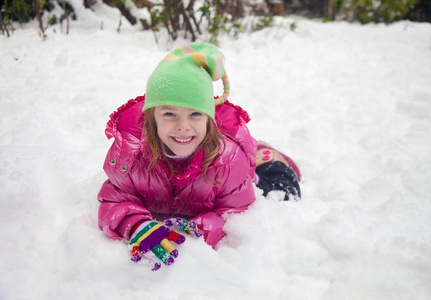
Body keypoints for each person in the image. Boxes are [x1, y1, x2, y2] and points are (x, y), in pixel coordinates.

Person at [97, 43, 301, 271]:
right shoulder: (130, 151)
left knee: (281, 192)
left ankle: (266, 155)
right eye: (169, 114)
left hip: (242, 170)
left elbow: (235, 212)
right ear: (152, 117)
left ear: (209, 119)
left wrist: (197, 230)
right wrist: (137, 226)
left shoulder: (229, 159)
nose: (183, 126)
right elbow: (115, 200)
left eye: (195, 114)